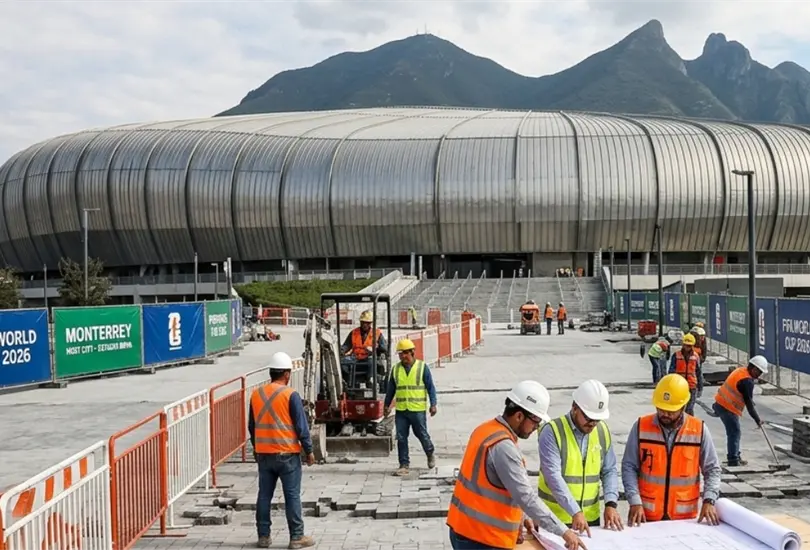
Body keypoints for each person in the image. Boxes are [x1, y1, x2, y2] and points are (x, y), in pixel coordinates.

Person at [447, 380, 587, 550]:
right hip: (482, 538)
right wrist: (564, 531)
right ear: (519, 416)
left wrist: (522, 517)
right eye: (535, 422)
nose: (536, 428)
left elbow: (497, 485)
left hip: (462, 528)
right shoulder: (504, 447)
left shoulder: (485, 429)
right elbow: (526, 496)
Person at [622, 374, 722, 526]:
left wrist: (709, 500)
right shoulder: (641, 426)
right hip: (646, 518)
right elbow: (629, 466)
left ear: (683, 406)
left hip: (685, 520)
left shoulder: (699, 430)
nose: (665, 414)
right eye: (661, 409)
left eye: (671, 411)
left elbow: (712, 469)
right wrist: (634, 501)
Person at [248, 352, 316, 549]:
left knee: (264, 496)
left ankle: (263, 537)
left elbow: (252, 426)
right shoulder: (290, 395)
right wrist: (309, 450)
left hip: (264, 455)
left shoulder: (256, 394)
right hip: (287, 456)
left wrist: (256, 447)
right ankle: (296, 537)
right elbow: (301, 427)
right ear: (286, 374)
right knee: (292, 496)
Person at [537, 380, 622, 535]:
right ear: (575, 407)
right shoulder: (552, 432)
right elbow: (553, 477)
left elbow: (609, 470)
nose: (592, 423)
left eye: (597, 419)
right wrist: (575, 511)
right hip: (555, 519)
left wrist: (611, 504)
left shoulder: (601, 431)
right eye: (589, 417)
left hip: (590, 520)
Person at [384, 338, 437, 475]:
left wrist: (433, 404)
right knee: (401, 437)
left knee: (422, 435)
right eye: (400, 354)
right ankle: (404, 465)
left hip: (417, 409)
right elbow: (391, 389)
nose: (403, 357)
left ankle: (430, 452)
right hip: (402, 410)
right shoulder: (396, 369)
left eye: (405, 354)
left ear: (412, 352)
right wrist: (386, 405)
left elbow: (430, 387)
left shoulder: (422, 367)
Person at [712, 355, 767, 466]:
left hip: (720, 402)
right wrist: (757, 420)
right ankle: (733, 459)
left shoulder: (741, 371)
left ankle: (735, 454)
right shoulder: (747, 381)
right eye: (759, 372)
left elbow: (742, 394)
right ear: (754, 368)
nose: (759, 376)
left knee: (734, 431)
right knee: (734, 432)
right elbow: (749, 405)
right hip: (727, 407)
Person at [668, 333, 701, 415]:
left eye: (689, 346)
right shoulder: (676, 355)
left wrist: (700, 387)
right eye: (686, 345)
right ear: (683, 344)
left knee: (690, 408)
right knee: (678, 407)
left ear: (692, 345)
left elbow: (698, 372)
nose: (687, 348)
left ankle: (690, 425)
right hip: (678, 386)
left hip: (691, 386)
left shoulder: (696, 357)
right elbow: (671, 371)